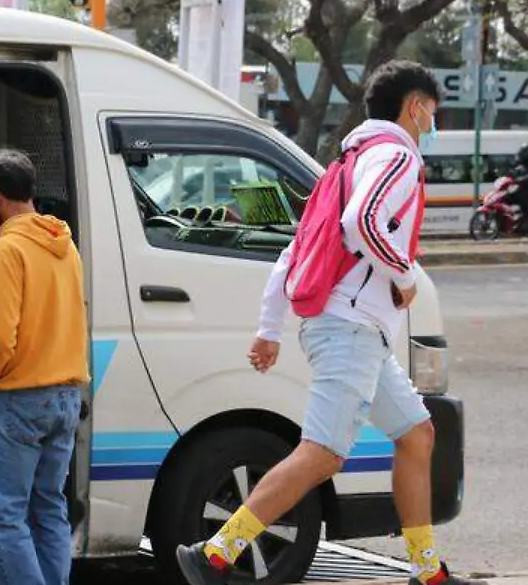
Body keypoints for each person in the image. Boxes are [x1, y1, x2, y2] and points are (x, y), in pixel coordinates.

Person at [175, 60, 484, 585]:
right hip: (353, 328)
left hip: (349, 328)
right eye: (432, 114)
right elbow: (362, 223)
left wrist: (270, 327)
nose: (432, 126)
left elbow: (296, 251)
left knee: (417, 433)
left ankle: (426, 572)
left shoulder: (346, 163)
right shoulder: (395, 156)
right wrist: (406, 277)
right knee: (321, 454)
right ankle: (215, 553)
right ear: (414, 108)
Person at [0, 149, 89, 585]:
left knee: (6, 517)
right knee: (49, 508)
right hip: (66, 394)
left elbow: (0, 336)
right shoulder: (64, 244)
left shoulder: (8, 249)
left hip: (20, 396)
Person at [505, 144, 528, 223]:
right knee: (506, 197)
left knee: (520, 197)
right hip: (524, 189)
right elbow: (515, 172)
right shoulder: (523, 165)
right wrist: (509, 176)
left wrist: (520, 180)